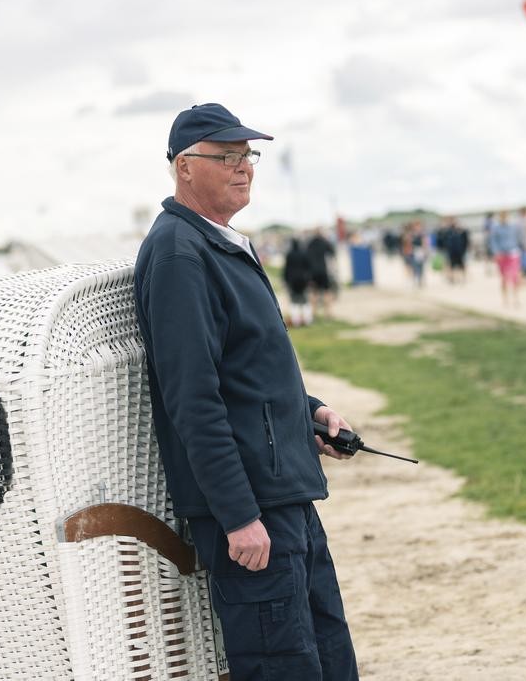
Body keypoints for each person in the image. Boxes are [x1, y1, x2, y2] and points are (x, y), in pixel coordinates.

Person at [134, 103, 359, 680]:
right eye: (227, 156)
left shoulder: (221, 240)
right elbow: (193, 399)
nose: (244, 168)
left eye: (247, 155)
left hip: (286, 494)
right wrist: (237, 516)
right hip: (251, 509)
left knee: (329, 654)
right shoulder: (181, 253)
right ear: (185, 167)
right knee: (281, 665)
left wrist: (310, 415)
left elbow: (248, 372)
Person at [488, 210, 524, 307]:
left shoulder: (514, 227)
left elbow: (519, 239)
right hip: (501, 255)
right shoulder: (495, 228)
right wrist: (496, 253)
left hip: (513, 253)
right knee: (504, 278)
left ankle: (516, 298)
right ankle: (505, 299)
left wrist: (521, 250)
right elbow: (493, 241)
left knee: (515, 277)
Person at [306, 229, 337, 318]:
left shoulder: (310, 243)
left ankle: (313, 313)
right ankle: (328, 313)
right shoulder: (324, 242)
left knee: (313, 292)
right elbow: (332, 252)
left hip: (312, 272)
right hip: (323, 271)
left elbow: (306, 256)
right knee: (327, 292)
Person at [283, 237, 314, 327]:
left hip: (292, 280)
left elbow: (286, 268)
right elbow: (308, 267)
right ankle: (308, 319)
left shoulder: (289, 255)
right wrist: (309, 279)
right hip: (303, 280)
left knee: (294, 300)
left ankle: (296, 321)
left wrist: (285, 280)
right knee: (305, 300)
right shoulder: (303, 253)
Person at [442, 217, 470, 284]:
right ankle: (452, 279)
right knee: (452, 266)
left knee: (462, 265)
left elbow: (466, 240)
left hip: (460, 251)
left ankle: (463, 278)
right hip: (451, 251)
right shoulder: (447, 231)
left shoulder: (462, 231)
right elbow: (444, 241)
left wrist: (464, 249)